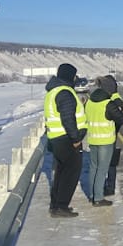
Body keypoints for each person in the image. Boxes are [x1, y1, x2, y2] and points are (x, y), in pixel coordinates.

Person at [44, 63, 87, 218]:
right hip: (66, 139)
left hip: (56, 138)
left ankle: (56, 205)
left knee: (61, 172)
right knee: (71, 173)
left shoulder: (53, 91)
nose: (76, 79)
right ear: (69, 76)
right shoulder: (65, 92)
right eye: (74, 76)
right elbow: (68, 118)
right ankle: (62, 206)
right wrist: (76, 139)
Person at [85, 74, 123, 206]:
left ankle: (92, 194)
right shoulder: (108, 104)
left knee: (93, 167)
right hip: (105, 140)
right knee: (102, 169)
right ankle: (98, 197)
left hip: (92, 139)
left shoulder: (90, 102)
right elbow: (121, 119)